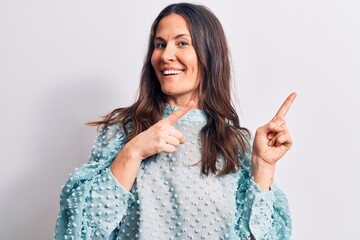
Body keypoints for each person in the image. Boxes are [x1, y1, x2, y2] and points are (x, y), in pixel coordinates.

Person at [54, 3, 296, 240]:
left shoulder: (234, 143)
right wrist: (133, 151)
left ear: (209, 54)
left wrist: (263, 165)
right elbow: (80, 231)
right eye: (160, 45)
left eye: (182, 43)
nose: (166, 55)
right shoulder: (123, 131)